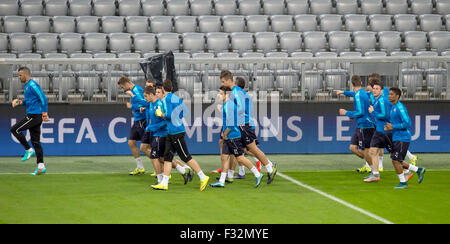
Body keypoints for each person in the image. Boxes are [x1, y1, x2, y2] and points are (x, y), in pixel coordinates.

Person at [151, 80, 209, 191]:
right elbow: (184, 112)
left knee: (185, 157)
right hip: (172, 132)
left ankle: (203, 176)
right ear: (172, 88)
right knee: (167, 158)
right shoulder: (176, 98)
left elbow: (169, 116)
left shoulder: (167, 99)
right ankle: (164, 183)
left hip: (175, 133)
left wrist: (161, 114)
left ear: (163, 89)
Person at [220, 70, 278, 184]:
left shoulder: (236, 92)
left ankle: (270, 168)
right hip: (244, 124)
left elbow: (241, 109)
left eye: (223, 81)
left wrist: (232, 112)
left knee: (253, 149)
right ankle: (237, 173)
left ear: (228, 80)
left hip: (244, 124)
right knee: (245, 150)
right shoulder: (237, 91)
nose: (223, 84)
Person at [210, 86, 264, 188]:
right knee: (224, 157)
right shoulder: (227, 105)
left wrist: (224, 134)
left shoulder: (229, 106)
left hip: (233, 137)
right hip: (228, 137)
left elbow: (231, 124)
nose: (219, 95)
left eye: (221, 93)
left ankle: (258, 174)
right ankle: (222, 181)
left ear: (227, 95)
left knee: (240, 158)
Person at [143, 86, 193, 185]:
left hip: (161, 134)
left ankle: (160, 180)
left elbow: (165, 121)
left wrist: (152, 127)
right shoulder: (152, 104)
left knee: (154, 157)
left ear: (151, 95)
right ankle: (184, 170)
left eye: (146, 96)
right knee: (163, 158)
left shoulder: (159, 104)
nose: (145, 98)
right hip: (158, 133)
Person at [10, 67, 49, 176]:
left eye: (20, 75)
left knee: (14, 129)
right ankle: (41, 167)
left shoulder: (32, 85)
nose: (19, 77)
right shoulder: (27, 86)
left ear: (26, 75)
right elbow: (30, 101)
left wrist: (44, 113)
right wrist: (19, 102)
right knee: (36, 142)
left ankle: (28, 149)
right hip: (33, 115)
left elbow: (43, 98)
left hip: (34, 116)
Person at [384, 88, 426, 189]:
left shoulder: (400, 107)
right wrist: (389, 127)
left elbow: (408, 123)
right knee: (398, 160)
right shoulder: (393, 107)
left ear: (397, 96)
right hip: (397, 137)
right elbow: (394, 122)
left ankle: (403, 183)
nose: (389, 96)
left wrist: (393, 127)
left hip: (403, 137)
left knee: (395, 160)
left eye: (391, 94)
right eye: (389, 94)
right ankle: (418, 170)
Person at [336, 75, 375, 172]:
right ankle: (371, 163)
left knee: (365, 151)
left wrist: (347, 113)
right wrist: (343, 92)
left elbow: (360, 112)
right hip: (360, 125)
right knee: (353, 148)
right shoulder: (361, 93)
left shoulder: (358, 95)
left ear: (351, 84)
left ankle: (374, 171)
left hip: (365, 125)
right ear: (361, 83)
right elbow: (353, 94)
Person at [117, 76, 148, 176]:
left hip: (143, 121)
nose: (123, 89)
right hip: (137, 121)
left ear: (127, 83)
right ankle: (140, 167)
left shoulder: (137, 90)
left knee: (147, 147)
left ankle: (161, 167)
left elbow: (144, 105)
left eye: (123, 87)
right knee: (131, 142)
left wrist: (132, 106)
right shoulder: (133, 91)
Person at [365, 78, 393, 182]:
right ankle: (376, 175)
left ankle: (411, 170)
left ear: (381, 90)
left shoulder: (382, 100)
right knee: (373, 151)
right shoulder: (376, 99)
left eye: (377, 88)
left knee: (395, 157)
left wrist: (373, 113)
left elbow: (385, 116)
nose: (374, 90)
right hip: (379, 130)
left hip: (386, 131)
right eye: (374, 88)